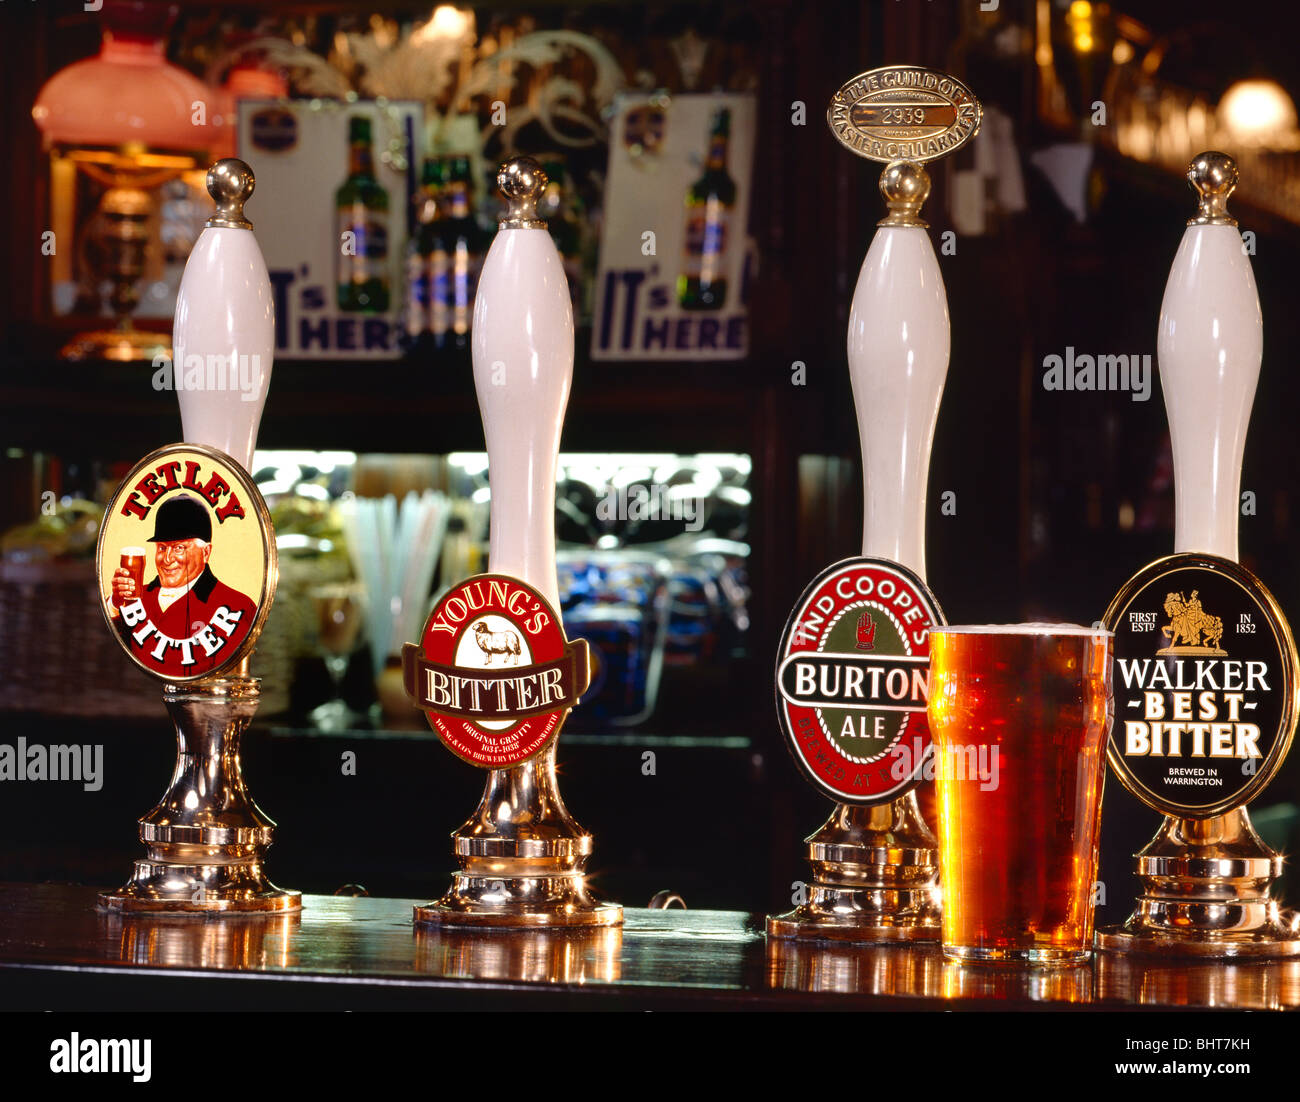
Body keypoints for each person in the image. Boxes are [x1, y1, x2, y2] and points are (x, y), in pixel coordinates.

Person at [108, 495, 257, 675]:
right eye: (162, 548)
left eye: (179, 548)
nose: (168, 559)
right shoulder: (133, 598)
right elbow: (108, 659)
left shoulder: (237, 606)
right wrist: (115, 604)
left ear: (206, 552)